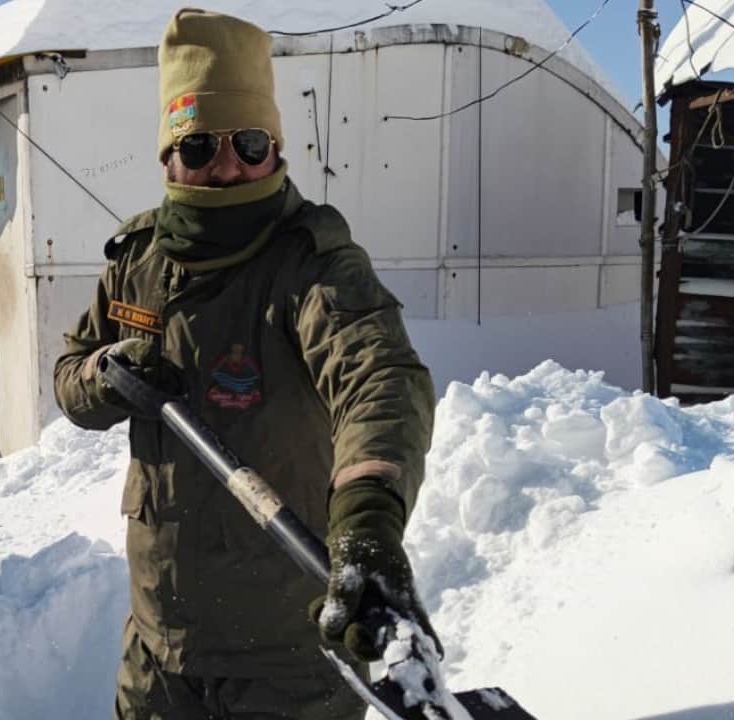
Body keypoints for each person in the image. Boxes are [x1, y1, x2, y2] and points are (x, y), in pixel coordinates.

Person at [53, 8, 438, 719]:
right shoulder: (136, 263)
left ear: (276, 147)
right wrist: (109, 373)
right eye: (198, 145)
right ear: (168, 155)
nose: (226, 164)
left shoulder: (312, 266)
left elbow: (378, 377)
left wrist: (367, 516)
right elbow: (70, 375)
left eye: (249, 141)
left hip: (286, 667)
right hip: (158, 653)